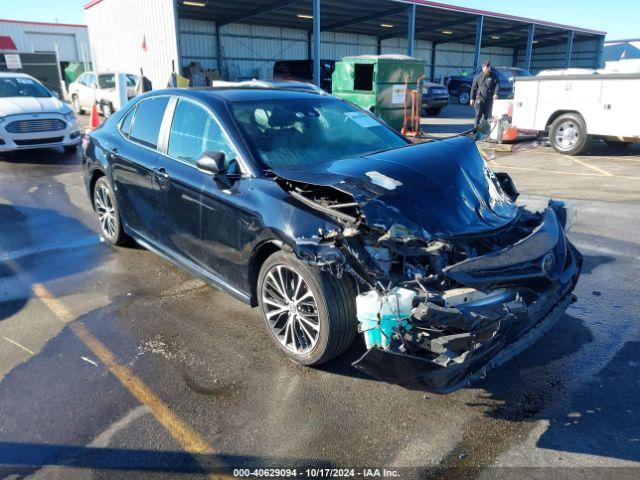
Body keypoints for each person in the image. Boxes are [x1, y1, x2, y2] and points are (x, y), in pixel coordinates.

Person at [470, 60, 500, 127]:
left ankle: (482, 131)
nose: (488, 70)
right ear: (483, 68)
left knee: (485, 116)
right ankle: (475, 131)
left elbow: (497, 85)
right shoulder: (478, 77)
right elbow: (473, 88)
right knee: (478, 115)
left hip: (488, 100)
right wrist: (471, 98)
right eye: (486, 68)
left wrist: (496, 94)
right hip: (479, 98)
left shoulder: (494, 76)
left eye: (489, 68)